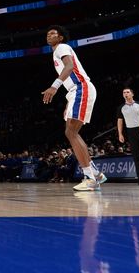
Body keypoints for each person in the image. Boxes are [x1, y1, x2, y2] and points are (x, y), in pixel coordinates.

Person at [41, 25, 107, 191]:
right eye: (48, 33)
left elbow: (69, 67)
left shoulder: (62, 47)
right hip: (74, 92)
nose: (49, 35)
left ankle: (90, 178)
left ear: (61, 37)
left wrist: (54, 86)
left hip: (81, 88)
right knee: (71, 132)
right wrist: (69, 101)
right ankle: (95, 173)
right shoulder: (56, 51)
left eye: (53, 33)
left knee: (71, 132)